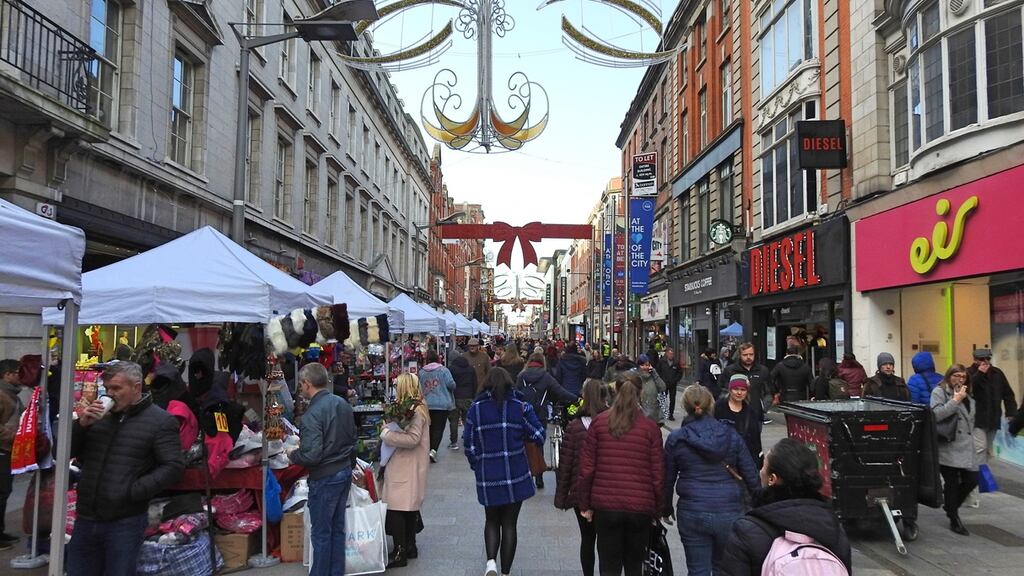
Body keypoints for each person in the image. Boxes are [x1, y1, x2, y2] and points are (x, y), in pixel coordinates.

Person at [67, 361, 185, 576]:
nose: (110, 394)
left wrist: (134, 491)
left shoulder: (160, 421)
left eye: (117, 388)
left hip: (124, 521)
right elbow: (64, 453)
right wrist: (80, 426)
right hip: (87, 516)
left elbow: (173, 466)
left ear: (136, 387)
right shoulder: (97, 418)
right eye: (108, 388)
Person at [720, 438, 852, 575]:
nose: (760, 471)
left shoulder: (747, 530)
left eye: (763, 466)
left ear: (772, 479)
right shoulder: (833, 527)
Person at [665, 385, 759, 576]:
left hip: (693, 510)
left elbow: (667, 478)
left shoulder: (677, 439)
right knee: (723, 567)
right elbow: (750, 475)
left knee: (697, 569)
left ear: (686, 407)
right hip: (729, 509)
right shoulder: (731, 435)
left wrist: (665, 507)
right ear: (711, 406)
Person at [576, 375, 664, 576]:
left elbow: (587, 468)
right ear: (640, 393)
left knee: (609, 564)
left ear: (614, 391)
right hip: (640, 506)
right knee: (634, 565)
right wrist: (657, 509)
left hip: (606, 506)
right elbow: (657, 473)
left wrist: (585, 505)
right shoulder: (650, 428)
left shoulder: (599, 423)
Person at [464, 368, 546, 576]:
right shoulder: (520, 408)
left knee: (491, 520)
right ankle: (505, 572)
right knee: (510, 524)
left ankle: (491, 562)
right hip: (515, 473)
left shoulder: (476, 409)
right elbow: (538, 434)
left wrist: (478, 464)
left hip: (488, 473)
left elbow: (469, 444)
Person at [288, 362, 357, 576]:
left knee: (321, 533)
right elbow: (352, 438)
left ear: (307, 384)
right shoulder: (341, 404)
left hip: (325, 476)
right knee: (336, 529)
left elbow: (311, 454)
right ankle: (336, 572)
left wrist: (293, 455)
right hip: (342, 471)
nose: (300, 388)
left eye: (301, 384)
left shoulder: (312, 414)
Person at [554, 379, 610, 576]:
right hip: (606, 491)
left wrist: (561, 495)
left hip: (581, 492)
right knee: (605, 541)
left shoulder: (575, 427)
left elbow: (566, 464)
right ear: (604, 397)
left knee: (587, 539)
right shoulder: (612, 424)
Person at [379, 374, 431, 566]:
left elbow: (412, 439)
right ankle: (409, 546)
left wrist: (387, 434)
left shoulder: (415, 411)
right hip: (409, 465)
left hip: (405, 464)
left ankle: (400, 551)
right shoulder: (419, 408)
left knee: (396, 508)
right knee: (407, 507)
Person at [517, 352, 578, 489]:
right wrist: (576, 398)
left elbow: (516, 393)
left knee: (524, 444)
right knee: (538, 444)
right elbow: (560, 391)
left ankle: (526, 475)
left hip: (523, 414)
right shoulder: (546, 377)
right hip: (540, 414)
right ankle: (539, 477)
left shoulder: (522, 376)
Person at [930, 364, 977, 535]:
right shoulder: (940, 392)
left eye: (963, 377)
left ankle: (950, 506)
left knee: (973, 479)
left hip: (967, 446)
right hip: (948, 445)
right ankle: (954, 518)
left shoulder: (968, 395)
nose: (959, 380)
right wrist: (955, 400)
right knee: (951, 483)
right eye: (956, 376)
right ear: (949, 376)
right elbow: (935, 415)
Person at [969, 348, 1017, 467]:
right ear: (975, 360)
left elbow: (1007, 393)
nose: (985, 362)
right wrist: (979, 374)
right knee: (980, 447)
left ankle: (981, 474)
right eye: (981, 359)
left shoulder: (997, 373)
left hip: (993, 417)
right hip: (976, 418)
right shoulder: (969, 373)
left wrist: (1011, 413)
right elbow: (969, 389)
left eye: (988, 359)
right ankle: (978, 477)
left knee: (988, 449)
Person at [0, 359, 24, 548]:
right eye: (17, 372)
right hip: (2, 449)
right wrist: (14, 436)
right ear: (6, 375)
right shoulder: (2, 395)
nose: (20, 376)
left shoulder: (13, 395)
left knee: (4, 491)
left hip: (8, 449)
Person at [714, 375, 762, 467]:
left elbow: (756, 439)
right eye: (736, 389)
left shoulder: (750, 412)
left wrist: (758, 461)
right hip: (723, 459)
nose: (739, 393)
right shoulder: (718, 408)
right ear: (730, 390)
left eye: (743, 390)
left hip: (745, 458)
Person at [417, 350, 456, 462]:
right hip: (442, 404)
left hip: (426, 404)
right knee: (439, 428)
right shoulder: (444, 370)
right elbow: (451, 384)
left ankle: (427, 449)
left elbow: (418, 387)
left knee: (429, 427)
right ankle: (433, 451)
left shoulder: (422, 372)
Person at [719, 343, 772, 424]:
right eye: (745, 355)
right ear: (740, 355)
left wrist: (763, 407)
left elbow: (768, 391)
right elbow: (722, 390)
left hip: (756, 414)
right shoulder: (730, 370)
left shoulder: (763, 371)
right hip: (735, 415)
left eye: (751, 354)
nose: (748, 357)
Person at [447, 354, 477, 450]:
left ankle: (453, 442)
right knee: (467, 420)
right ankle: (469, 439)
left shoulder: (451, 369)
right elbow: (475, 383)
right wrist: (474, 395)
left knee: (454, 420)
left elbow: (449, 383)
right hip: (468, 396)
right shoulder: (471, 369)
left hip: (455, 397)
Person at [636, 354, 667, 425]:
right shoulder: (635, 378)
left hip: (654, 417)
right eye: (642, 365)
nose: (645, 367)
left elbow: (663, 388)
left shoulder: (653, 376)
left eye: (647, 365)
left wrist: (655, 374)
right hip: (640, 417)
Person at [658, 348, 684, 420]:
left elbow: (680, 372)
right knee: (663, 398)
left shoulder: (676, 362)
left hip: (673, 384)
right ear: (667, 354)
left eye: (672, 354)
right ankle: (663, 413)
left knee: (672, 399)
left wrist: (676, 380)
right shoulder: (662, 362)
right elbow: (658, 371)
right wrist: (661, 380)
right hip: (664, 383)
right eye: (669, 354)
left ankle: (671, 414)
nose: (671, 355)